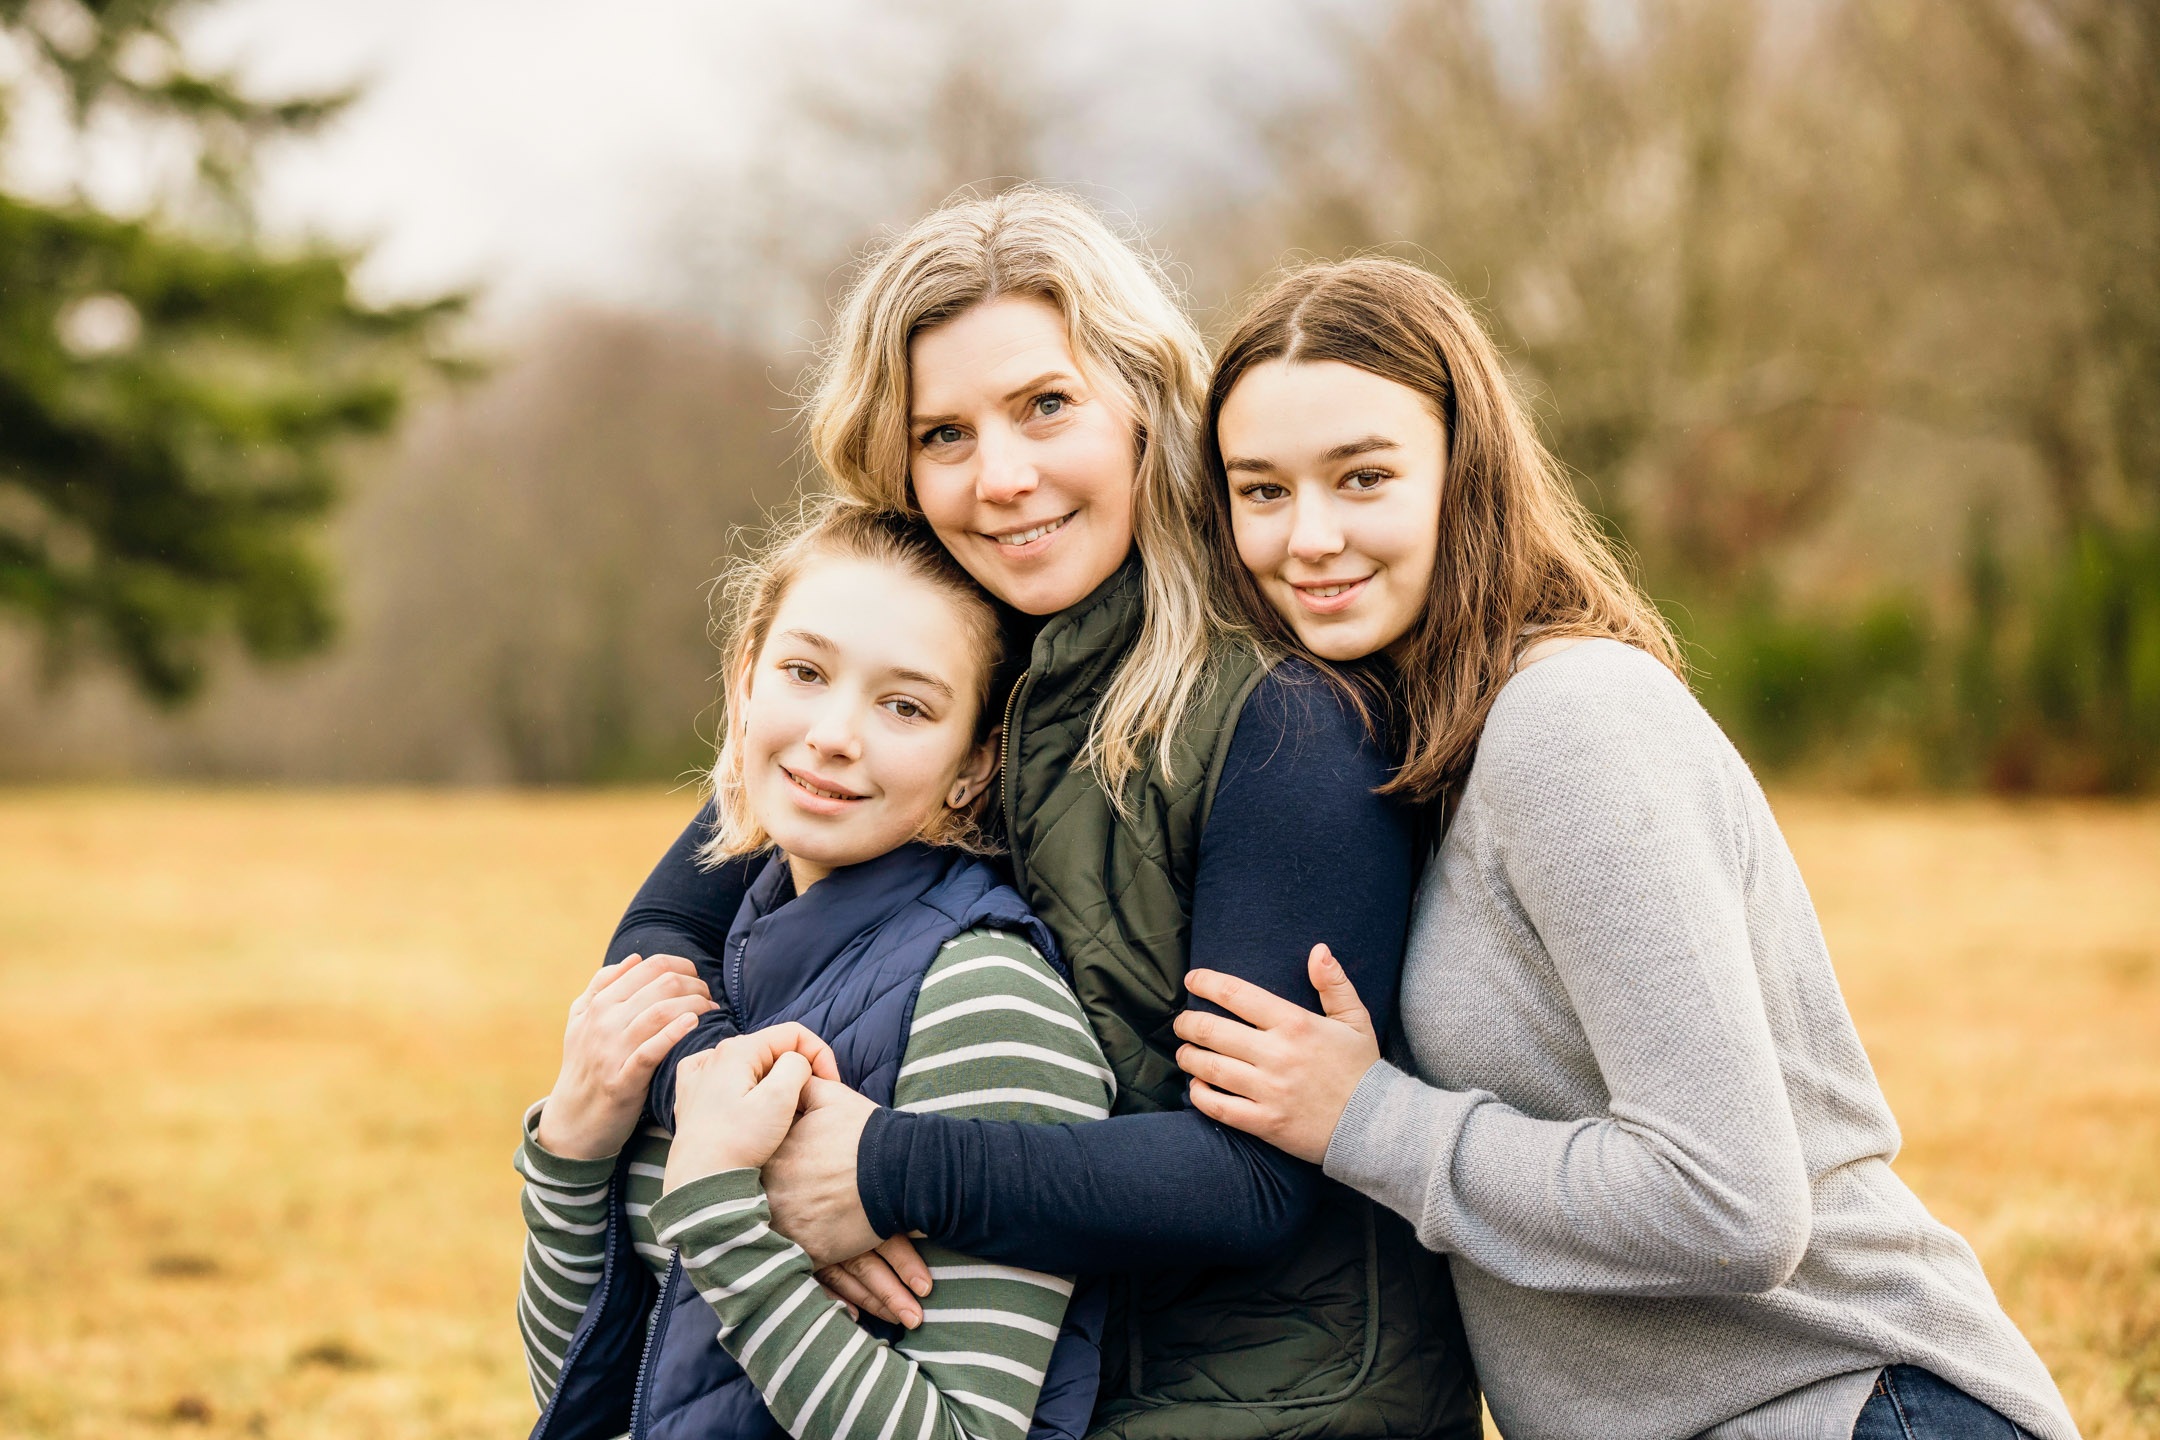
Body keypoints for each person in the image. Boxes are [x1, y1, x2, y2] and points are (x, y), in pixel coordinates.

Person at [597, 188, 1482, 1440]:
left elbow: (1254, 1177)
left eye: (1045, 407)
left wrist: (877, 1170)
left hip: (1270, 1404)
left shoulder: (1282, 721)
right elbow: (655, 950)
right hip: (1028, 1377)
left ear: (1140, 402)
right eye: (944, 434)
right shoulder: (928, 686)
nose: (1001, 478)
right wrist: (769, 1147)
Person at [1169, 256, 2081, 1440]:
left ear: (1466, 475)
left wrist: (1368, 1122)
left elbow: (1730, 1204)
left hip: (1849, 1407)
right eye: (1262, 491)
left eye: (1365, 477)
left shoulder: (1570, 722)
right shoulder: (1441, 750)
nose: (1311, 537)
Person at [514, 504, 1116, 1440]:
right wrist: (571, 1156)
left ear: (974, 763)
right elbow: (600, 1392)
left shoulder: (988, 1001)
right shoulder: (715, 972)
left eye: (905, 705)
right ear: (743, 679)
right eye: (805, 672)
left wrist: (721, 1220)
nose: (835, 733)